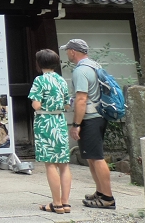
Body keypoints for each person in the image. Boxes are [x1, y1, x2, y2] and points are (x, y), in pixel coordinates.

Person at [62, 39, 115, 209]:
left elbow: (81, 99)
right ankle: (100, 191)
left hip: (90, 118)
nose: (67, 53)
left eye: (67, 50)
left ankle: (107, 197)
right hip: (99, 115)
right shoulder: (94, 65)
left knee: (97, 158)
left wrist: (76, 124)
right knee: (92, 157)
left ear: (73, 51)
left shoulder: (81, 71)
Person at [29, 48, 71, 214]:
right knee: (64, 164)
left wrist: (38, 104)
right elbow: (67, 105)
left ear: (39, 64)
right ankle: (66, 203)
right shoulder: (61, 80)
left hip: (45, 122)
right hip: (60, 121)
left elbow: (36, 104)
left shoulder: (39, 80)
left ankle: (56, 203)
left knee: (50, 163)